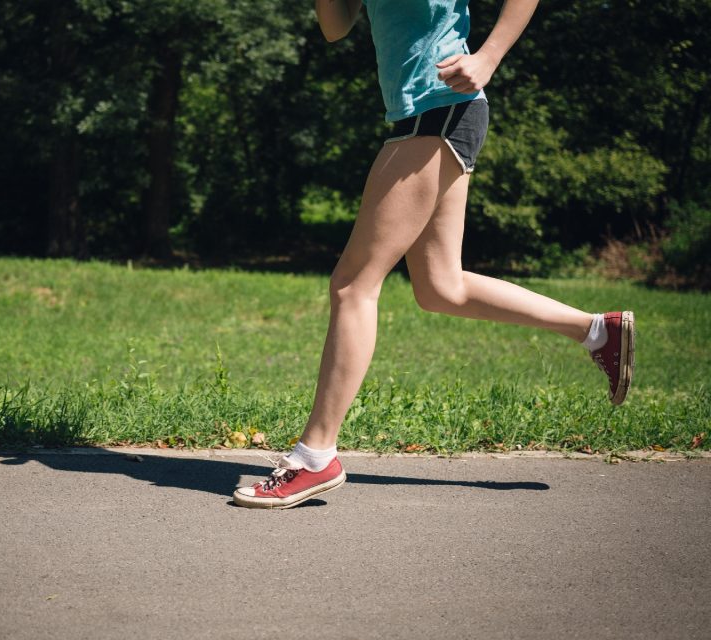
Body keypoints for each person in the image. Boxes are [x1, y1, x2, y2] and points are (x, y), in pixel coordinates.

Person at [233, 0, 635, 509]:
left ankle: (316, 456)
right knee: (442, 287)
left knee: (354, 284)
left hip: (440, 106)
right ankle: (598, 330)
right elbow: (335, 27)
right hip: (424, 113)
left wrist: (488, 55)